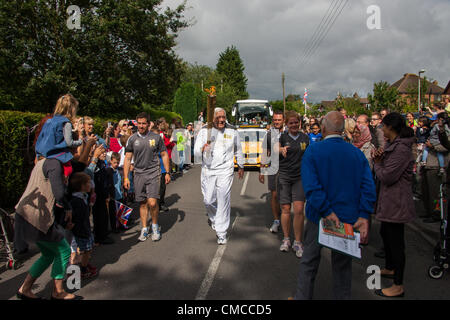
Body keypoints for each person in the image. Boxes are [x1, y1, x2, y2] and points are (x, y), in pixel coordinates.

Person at [294, 111, 376, 300]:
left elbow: (311, 187)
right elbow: (368, 186)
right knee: (342, 268)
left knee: (309, 263)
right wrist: (364, 215)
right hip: (348, 217)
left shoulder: (313, 151)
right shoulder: (356, 153)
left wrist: (326, 211)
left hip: (319, 217)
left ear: (323, 128)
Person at [15, 157, 78, 300]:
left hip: (25, 215)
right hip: (36, 218)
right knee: (64, 250)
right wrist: (67, 208)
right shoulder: (53, 163)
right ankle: (58, 292)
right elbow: (59, 193)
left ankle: (25, 288)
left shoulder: (43, 162)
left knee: (49, 254)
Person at [372, 112, 416, 298]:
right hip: (390, 200)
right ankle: (390, 267)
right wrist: (381, 159)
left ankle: (398, 285)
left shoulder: (401, 150)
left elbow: (387, 176)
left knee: (396, 241)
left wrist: (378, 163)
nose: (381, 129)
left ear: (391, 128)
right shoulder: (393, 145)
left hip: (397, 201)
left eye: (383, 126)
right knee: (385, 233)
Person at [194, 108, 244, 245]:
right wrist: (202, 149)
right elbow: (196, 152)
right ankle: (216, 219)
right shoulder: (205, 130)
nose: (221, 120)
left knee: (223, 198)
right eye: (218, 118)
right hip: (208, 170)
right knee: (208, 200)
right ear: (213, 118)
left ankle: (222, 232)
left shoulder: (232, 130)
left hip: (225, 170)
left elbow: (238, 148)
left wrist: (240, 165)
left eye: (223, 117)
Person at [123, 112, 171, 242]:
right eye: (139, 123)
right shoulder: (132, 139)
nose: (141, 126)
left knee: (153, 202)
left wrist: (167, 172)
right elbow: (127, 159)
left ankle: (155, 226)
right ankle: (144, 228)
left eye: (144, 123)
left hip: (153, 173)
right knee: (143, 203)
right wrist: (126, 177)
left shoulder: (156, 137)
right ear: (136, 124)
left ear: (149, 124)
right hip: (138, 174)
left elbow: (164, 154)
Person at [277, 111, 309, 258]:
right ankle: (286, 239)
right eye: (291, 123)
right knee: (285, 208)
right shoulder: (282, 137)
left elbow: (311, 154)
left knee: (298, 209)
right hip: (284, 176)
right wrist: (280, 149)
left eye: (296, 122)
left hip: (300, 177)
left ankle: (298, 241)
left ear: (299, 123)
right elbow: (276, 147)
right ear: (287, 124)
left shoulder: (305, 138)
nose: (294, 125)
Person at [35, 94, 82, 178]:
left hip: (42, 156)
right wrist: (79, 142)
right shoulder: (66, 123)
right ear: (72, 109)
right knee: (69, 170)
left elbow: (41, 139)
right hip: (56, 156)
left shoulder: (49, 121)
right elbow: (69, 142)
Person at [69, 172, 98, 279]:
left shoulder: (83, 197)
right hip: (81, 230)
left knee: (88, 249)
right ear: (82, 186)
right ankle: (82, 269)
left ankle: (84, 264)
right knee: (83, 251)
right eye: (88, 183)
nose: (90, 185)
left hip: (86, 228)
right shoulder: (76, 201)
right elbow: (77, 218)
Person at [259, 111, 284, 233]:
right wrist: (262, 170)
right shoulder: (269, 135)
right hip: (273, 168)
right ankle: (276, 220)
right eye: (275, 120)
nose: (277, 122)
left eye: (279, 120)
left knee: (285, 196)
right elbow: (265, 152)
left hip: (287, 168)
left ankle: (285, 217)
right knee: (274, 195)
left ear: (283, 120)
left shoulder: (288, 133)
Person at [107, 152, 124, 232]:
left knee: (120, 210)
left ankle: (121, 224)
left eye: (118, 162)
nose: (116, 164)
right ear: (111, 161)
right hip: (113, 195)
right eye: (114, 162)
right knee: (113, 212)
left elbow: (121, 181)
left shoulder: (119, 171)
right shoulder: (109, 171)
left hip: (119, 194)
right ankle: (114, 227)